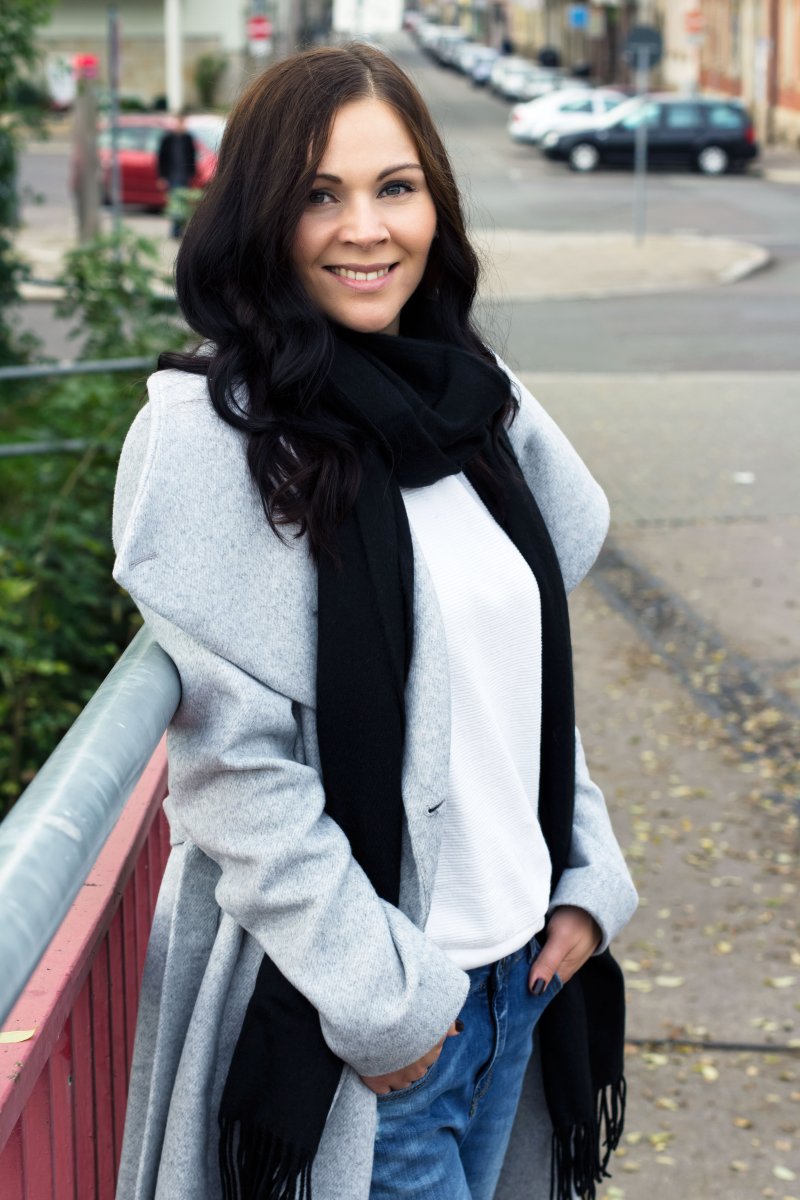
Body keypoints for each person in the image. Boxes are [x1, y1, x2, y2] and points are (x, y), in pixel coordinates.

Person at [112, 44, 638, 1200]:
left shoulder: (474, 403)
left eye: (394, 187)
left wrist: (585, 875)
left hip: (519, 985)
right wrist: (387, 1001)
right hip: (372, 1030)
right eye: (318, 194)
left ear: (434, 205)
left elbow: (518, 689)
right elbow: (234, 773)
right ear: (261, 217)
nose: (364, 229)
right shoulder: (216, 438)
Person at [156, 110, 197, 237]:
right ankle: (175, 230)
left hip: (184, 176)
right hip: (172, 176)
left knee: (183, 202)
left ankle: (180, 229)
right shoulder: (168, 138)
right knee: (175, 203)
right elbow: (161, 159)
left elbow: (192, 157)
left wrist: (192, 173)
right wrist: (162, 176)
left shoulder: (187, 138)